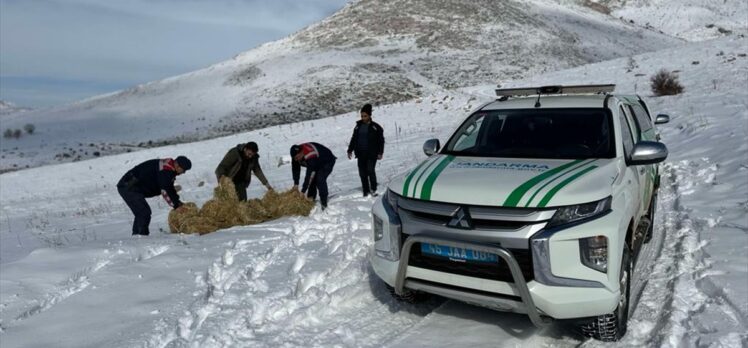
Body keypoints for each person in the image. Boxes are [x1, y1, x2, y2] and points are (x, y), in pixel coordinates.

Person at [117, 156, 191, 236]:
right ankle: (139, 237)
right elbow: (165, 190)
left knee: (143, 212)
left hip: (133, 186)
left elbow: (169, 188)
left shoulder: (169, 168)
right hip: (128, 186)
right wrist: (176, 206)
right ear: (177, 165)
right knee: (143, 212)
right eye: (183, 170)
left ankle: (139, 236)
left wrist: (178, 203)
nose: (183, 173)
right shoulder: (165, 170)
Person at [347, 103, 384, 197]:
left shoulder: (376, 127)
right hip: (360, 153)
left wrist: (380, 152)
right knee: (362, 173)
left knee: (370, 170)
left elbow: (381, 140)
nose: (363, 118)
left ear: (369, 115)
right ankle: (365, 191)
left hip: (372, 153)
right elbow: (353, 138)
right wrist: (350, 150)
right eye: (362, 116)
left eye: (365, 116)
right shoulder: (358, 126)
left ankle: (374, 188)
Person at [290, 142, 336, 210]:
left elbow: (309, 175)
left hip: (327, 161)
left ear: (302, 152)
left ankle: (324, 202)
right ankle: (310, 201)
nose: (296, 160)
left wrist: (303, 191)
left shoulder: (310, 154)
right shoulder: (295, 155)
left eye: (297, 157)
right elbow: (295, 169)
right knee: (312, 181)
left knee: (319, 179)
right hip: (316, 162)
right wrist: (296, 184)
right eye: (294, 158)